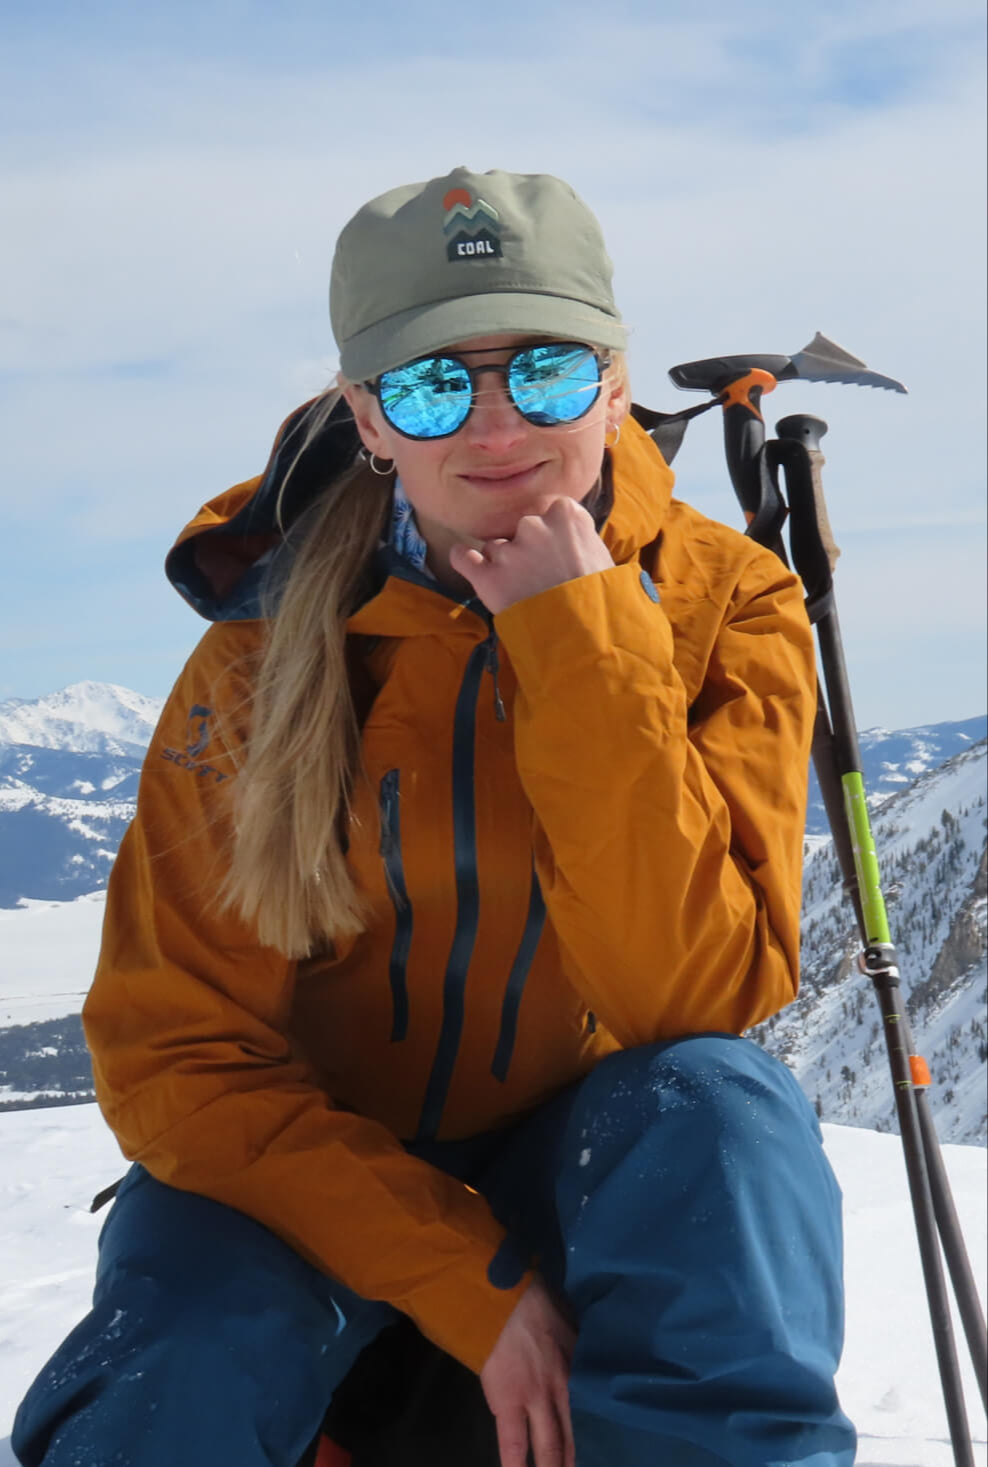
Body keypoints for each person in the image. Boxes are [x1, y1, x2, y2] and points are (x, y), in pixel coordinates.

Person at [12, 167, 855, 1467]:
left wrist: (575, 645)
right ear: (368, 415)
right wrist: (470, 1278)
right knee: (174, 1375)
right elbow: (177, 1055)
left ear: (617, 379)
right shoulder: (262, 651)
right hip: (298, 1172)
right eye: (429, 383)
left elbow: (693, 1004)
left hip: (586, 1151)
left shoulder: (729, 605)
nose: (497, 422)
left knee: (723, 1111)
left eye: (549, 370)